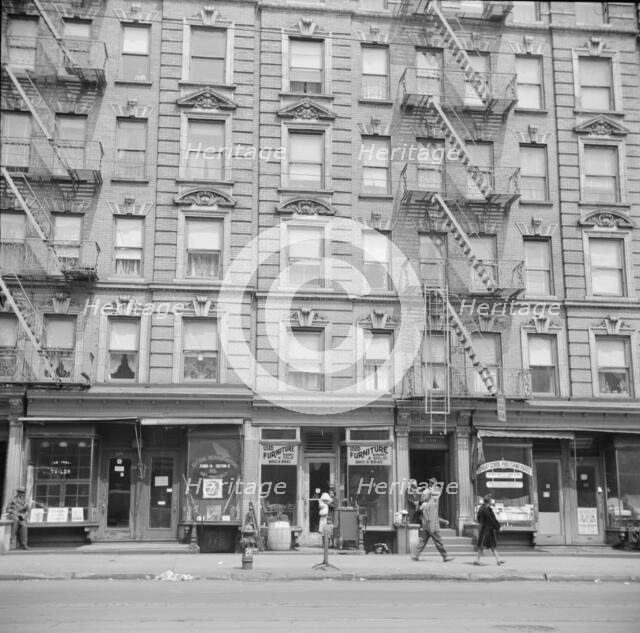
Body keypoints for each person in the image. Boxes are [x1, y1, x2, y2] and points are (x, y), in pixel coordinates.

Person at [411, 479, 454, 563]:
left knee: (423, 541)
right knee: (438, 542)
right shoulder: (432, 504)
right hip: (432, 526)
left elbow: (424, 512)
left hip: (425, 526)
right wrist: (440, 523)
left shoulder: (424, 504)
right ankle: (445, 557)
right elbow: (433, 517)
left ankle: (416, 555)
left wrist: (443, 521)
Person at [474, 494, 504, 566]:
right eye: (491, 500)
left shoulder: (481, 508)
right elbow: (492, 519)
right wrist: (498, 527)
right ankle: (477, 560)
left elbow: (478, 518)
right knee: (483, 546)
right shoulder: (487, 509)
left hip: (484, 529)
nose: (492, 501)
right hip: (487, 530)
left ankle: (498, 560)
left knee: (491, 545)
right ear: (489, 501)